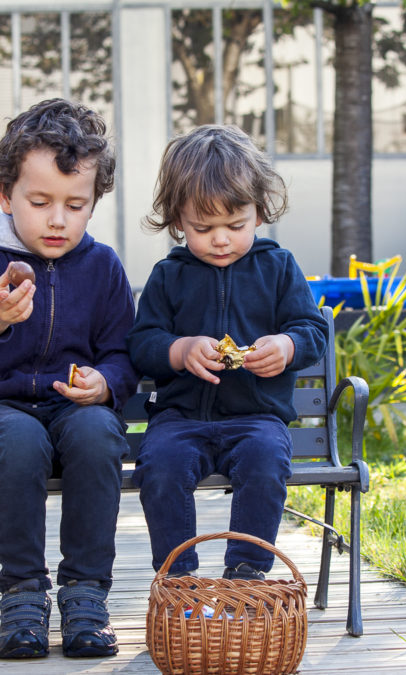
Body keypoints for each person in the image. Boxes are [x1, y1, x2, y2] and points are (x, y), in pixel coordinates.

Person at [0, 98, 137, 660]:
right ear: (6, 197)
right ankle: (24, 597)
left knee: (100, 433)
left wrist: (104, 384)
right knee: (18, 439)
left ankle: (85, 595)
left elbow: (123, 353)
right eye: (40, 202)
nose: (58, 219)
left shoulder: (102, 267)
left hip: (73, 411)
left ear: (93, 202)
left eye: (76, 205)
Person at [126, 124, 328, 581]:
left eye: (235, 225)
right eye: (204, 227)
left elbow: (312, 329)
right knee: (160, 468)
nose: (221, 239)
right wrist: (180, 350)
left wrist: (286, 345)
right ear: (178, 220)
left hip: (257, 416)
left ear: (259, 213)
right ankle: (178, 578)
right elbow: (143, 343)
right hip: (180, 419)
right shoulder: (168, 275)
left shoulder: (277, 267)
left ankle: (246, 574)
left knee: (266, 462)